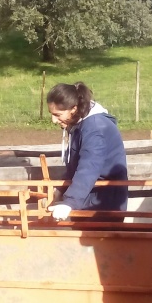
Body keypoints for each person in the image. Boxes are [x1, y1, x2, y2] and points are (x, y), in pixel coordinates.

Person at [45, 82, 128, 221]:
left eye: (57, 114)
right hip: (90, 197)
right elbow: (77, 164)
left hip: (102, 203)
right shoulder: (81, 125)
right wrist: (60, 189)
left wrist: (70, 202)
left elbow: (89, 167)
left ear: (74, 108)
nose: (53, 120)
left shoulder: (94, 129)